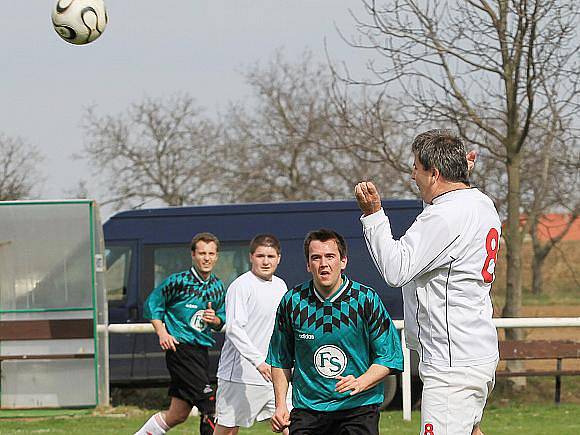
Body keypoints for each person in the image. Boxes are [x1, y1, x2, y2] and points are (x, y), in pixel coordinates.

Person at [355, 129, 501, 435]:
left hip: (451, 364)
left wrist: (373, 216)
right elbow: (441, 216)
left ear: (434, 173)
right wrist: (458, 174)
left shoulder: (445, 216)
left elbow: (396, 270)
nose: (412, 174)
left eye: (417, 168)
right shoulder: (481, 203)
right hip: (476, 352)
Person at [267, 229, 403, 435]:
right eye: (316, 258)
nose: (324, 264)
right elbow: (280, 359)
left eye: (330, 256)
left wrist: (361, 381)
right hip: (308, 410)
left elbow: (389, 357)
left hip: (358, 408)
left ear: (343, 261)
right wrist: (280, 405)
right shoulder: (292, 301)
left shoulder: (366, 299)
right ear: (308, 264)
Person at [134, 232, 226, 435]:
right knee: (210, 405)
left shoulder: (218, 287)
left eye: (211, 253)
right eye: (202, 253)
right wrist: (162, 333)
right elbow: (152, 304)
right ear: (193, 255)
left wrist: (216, 320)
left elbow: (222, 319)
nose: (207, 258)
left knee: (178, 414)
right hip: (181, 350)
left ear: (217, 256)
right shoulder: (177, 282)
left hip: (201, 352)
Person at [214, 234, 291, 435]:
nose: (266, 261)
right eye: (260, 256)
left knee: (292, 424)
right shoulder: (241, 286)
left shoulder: (281, 286)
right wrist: (258, 361)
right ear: (251, 257)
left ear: (279, 258)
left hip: (274, 374)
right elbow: (234, 328)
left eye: (271, 256)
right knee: (228, 431)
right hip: (239, 377)